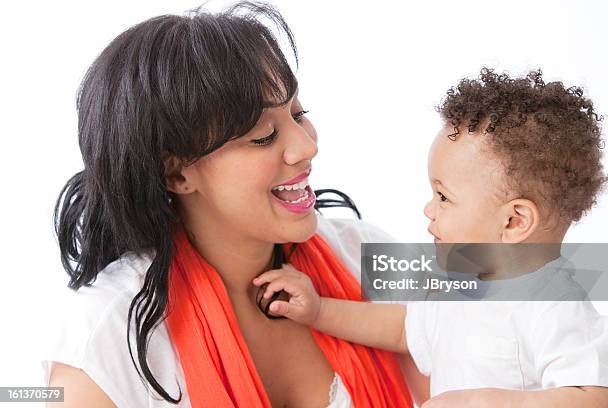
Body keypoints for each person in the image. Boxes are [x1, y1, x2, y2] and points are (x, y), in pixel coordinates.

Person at [43, 2, 421, 407]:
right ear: (177, 174)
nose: (306, 146)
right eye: (263, 136)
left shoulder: (357, 252)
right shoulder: (104, 337)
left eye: (299, 114)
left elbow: (493, 274)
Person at [254, 68, 608, 407]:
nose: (429, 209)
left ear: (514, 221)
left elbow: (595, 398)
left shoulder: (555, 304)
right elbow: (402, 331)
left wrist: (486, 401)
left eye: (443, 197)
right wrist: (319, 311)